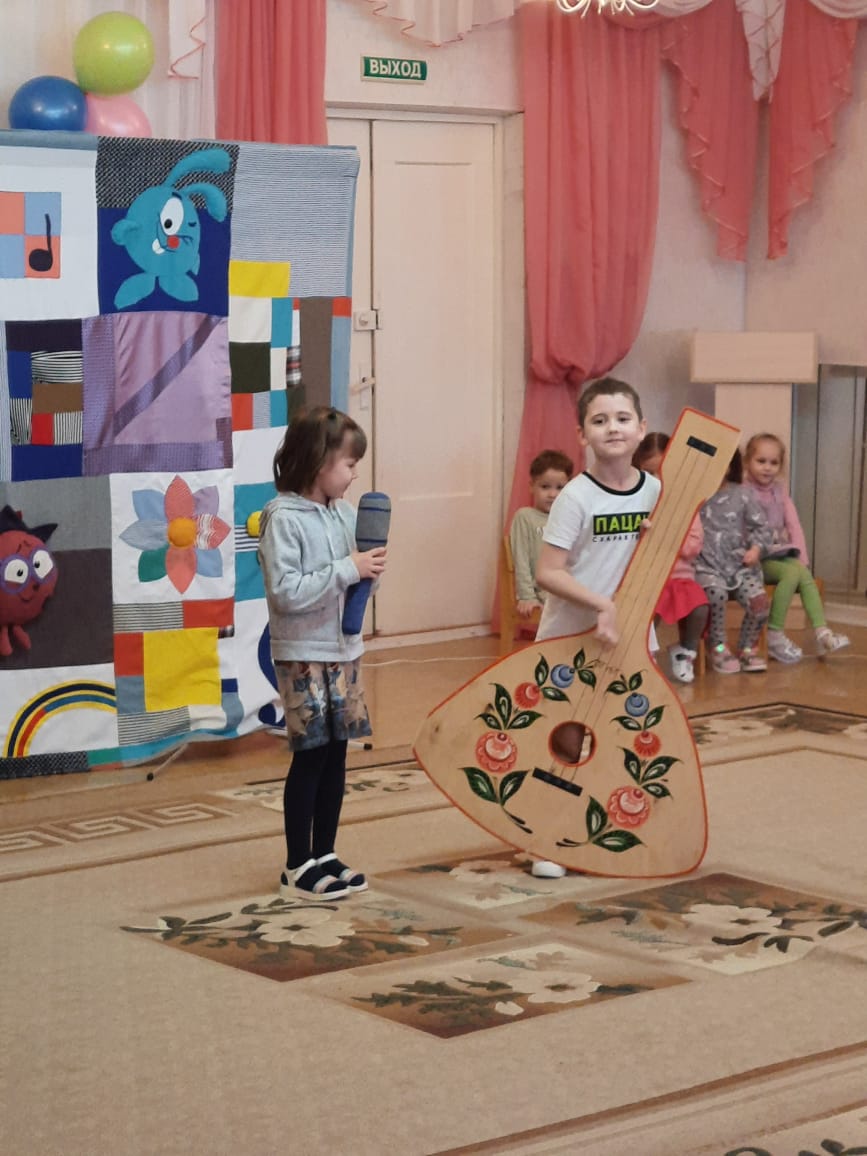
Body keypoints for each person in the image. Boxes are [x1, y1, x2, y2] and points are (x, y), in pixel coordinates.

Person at [531, 376, 660, 878]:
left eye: (623, 419)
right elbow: (548, 572)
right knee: (565, 740)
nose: (613, 428)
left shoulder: (654, 491)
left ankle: (605, 833)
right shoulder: (575, 498)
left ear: (641, 428)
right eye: (600, 420)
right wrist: (603, 605)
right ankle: (547, 838)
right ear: (582, 434)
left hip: (632, 639)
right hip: (569, 638)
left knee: (625, 737)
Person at [258, 406, 386, 901]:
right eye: (349, 464)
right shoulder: (282, 519)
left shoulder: (345, 515)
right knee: (310, 756)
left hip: (344, 652)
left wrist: (367, 575)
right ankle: (297, 865)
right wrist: (349, 569)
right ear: (318, 462)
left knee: (336, 756)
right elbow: (285, 592)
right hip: (302, 654)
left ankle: (325, 854)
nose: (354, 474)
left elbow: (355, 582)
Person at [742, 432, 849, 661]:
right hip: (752, 559)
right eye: (761, 461)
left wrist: (802, 560)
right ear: (747, 462)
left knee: (801, 571)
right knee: (792, 573)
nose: (767, 468)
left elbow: (794, 525)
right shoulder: (742, 493)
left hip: (774, 553)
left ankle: (822, 632)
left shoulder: (780, 493)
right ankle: (775, 635)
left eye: (774, 463)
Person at [633, 432, 709, 685]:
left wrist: (668, 535)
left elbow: (693, 546)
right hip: (650, 578)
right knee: (648, 612)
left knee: (700, 608)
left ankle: (685, 652)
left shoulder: (686, 504)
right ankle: (645, 655)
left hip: (681, 579)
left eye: (662, 472)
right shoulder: (637, 502)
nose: (657, 480)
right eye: (649, 473)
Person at [694, 449, 771, 674]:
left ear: (730, 466)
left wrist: (755, 549)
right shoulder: (694, 496)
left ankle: (747, 648)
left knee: (759, 601)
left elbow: (762, 528)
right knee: (715, 595)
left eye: (722, 463)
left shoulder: (742, 494)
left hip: (740, 568)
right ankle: (718, 647)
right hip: (707, 567)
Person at [509, 449, 573, 623]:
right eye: (545, 487)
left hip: (571, 590)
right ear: (532, 486)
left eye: (560, 488)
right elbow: (521, 560)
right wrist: (526, 596)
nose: (553, 494)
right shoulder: (525, 517)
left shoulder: (571, 518)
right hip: (543, 593)